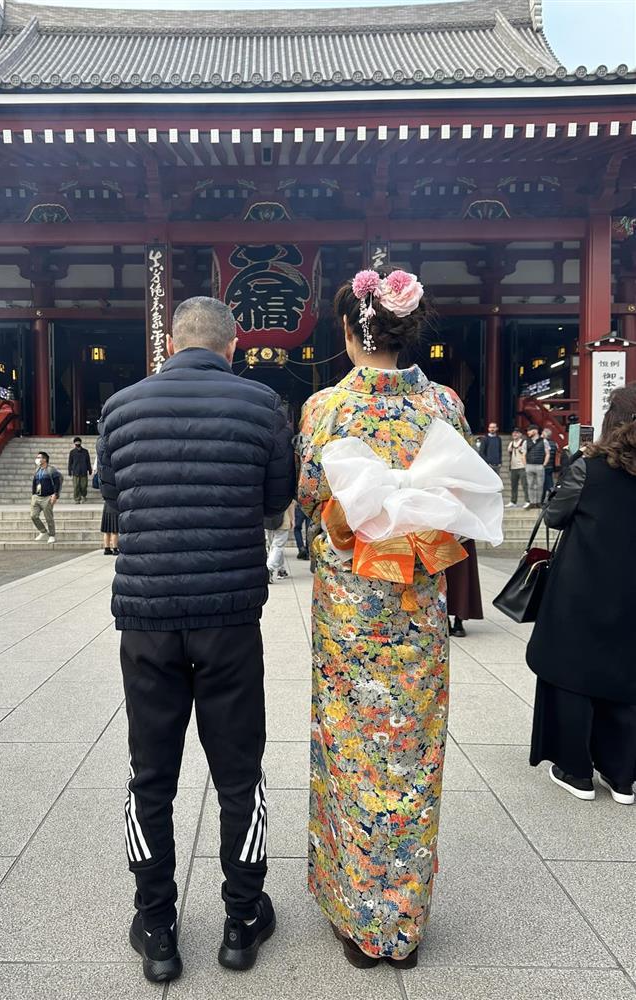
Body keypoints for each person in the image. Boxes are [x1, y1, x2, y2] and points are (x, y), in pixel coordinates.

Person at [298, 268, 502, 970]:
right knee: (412, 752)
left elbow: (309, 496)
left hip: (351, 607)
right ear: (406, 331)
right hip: (419, 602)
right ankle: (404, 925)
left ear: (350, 331)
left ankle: (360, 920)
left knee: (352, 749)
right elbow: (463, 490)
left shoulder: (326, 408)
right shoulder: (443, 404)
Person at [97, 296, 295, 984]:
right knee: (239, 774)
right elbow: (275, 504)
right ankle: (241, 920)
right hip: (229, 616)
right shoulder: (262, 405)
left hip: (146, 615)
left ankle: (157, 926)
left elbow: (115, 500)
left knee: (149, 775)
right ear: (232, 346)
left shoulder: (121, 407)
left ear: (171, 343)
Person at [526, 382, 636, 806]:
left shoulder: (589, 468)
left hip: (582, 588)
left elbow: (555, 516)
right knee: (625, 674)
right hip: (631, 594)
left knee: (571, 671)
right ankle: (622, 776)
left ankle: (575, 770)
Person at [446, 539, 484, 637]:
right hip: (439, 535)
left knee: (462, 574)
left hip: (462, 536)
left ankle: (459, 619)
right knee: (442, 575)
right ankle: (446, 619)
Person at [30, 451, 61, 543]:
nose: (37, 459)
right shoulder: (37, 470)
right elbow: (34, 483)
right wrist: (33, 494)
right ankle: (43, 531)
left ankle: (52, 535)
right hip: (37, 497)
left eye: (39, 457)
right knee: (33, 516)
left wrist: (55, 494)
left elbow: (57, 483)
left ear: (45, 459)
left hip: (47, 497)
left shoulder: (51, 470)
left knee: (48, 518)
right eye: (37, 457)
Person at [265, 504, 292, 582]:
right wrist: (292, 519)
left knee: (273, 547)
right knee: (277, 547)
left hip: (268, 520)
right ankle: (269, 568)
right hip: (283, 520)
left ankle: (281, 569)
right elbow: (291, 505)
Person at [523, 424, 548, 508]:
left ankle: (538, 502)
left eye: (529, 430)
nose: (528, 432)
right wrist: (525, 465)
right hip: (529, 465)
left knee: (540, 485)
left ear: (535, 431)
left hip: (539, 465)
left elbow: (547, 453)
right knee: (530, 485)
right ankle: (532, 502)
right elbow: (523, 454)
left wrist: (544, 463)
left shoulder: (544, 441)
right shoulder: (526, 442)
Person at [506, 428, 528, 507]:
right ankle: (513, 501)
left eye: (517, 433)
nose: (515, 434)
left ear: (520, 434)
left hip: (522, 466)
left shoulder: (524, 442)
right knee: (513, 485)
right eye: (514, 433)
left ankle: (527, 500)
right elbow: (509, 451)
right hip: (513, 467)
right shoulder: (511, 443)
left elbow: (526, 452)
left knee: (525, 484)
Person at [68, 436, 92, 503]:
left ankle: (84, 496)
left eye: (78, 442)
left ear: (80, 443)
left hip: (84, 471)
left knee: (84, 486)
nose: (77, 443)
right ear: (74, 443)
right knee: (76, 486)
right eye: (76, 442)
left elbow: (88, 461)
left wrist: (90, 470)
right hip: (75, 471)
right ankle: (77, 499)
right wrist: (69, 471)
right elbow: (70, 462)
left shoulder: (85, 451)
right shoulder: (72, 452)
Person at [541, 427, 558, 499]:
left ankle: (552, 493)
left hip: (545, 464)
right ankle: (545, 498)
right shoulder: (554, 444)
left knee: (546, 483)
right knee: (547, 481)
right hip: (551, 465)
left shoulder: (543, 443)